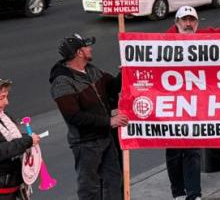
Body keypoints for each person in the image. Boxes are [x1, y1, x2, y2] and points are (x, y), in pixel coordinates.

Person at [164, 6, 220, 200]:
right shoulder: (163, 43)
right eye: (184, 20)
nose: (188, 24)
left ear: (197, 23)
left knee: (192, 150)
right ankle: (178, 192)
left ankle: (194, 194)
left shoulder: (202, 37)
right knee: (174, 152)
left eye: (192, 20)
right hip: (171, 106)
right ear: (176, 23)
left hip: (193, 106)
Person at [49, 34, 126, 200]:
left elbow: (112, 87)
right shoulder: (62, 82)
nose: (90, 48)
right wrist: (109, 121)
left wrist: (124, 74)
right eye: (87, 46)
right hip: (86, 143)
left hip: (105, 137)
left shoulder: (91, 69)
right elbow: (74, 116)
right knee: (90, 187)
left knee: (114, 180)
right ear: (79, 52)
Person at [0, 79, 40, 200]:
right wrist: (26, 141)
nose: (7, 102)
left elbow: (11, 139)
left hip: (12, 184)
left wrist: (28, 138)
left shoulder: (5, 116)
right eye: (2, 97)